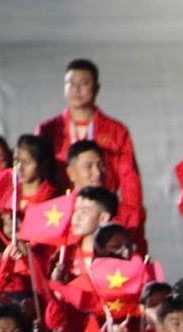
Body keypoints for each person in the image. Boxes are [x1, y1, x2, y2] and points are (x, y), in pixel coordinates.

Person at [36, 59, 145, 248]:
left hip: (102, 211)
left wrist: (131, 219)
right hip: (61, 215)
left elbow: (130, 180)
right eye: (71, 83)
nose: (77, 89)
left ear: (96, 88)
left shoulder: (116, 131)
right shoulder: (49, 130)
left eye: (84, 84)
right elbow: (38, 177)